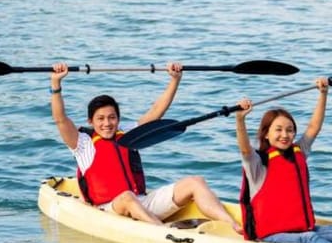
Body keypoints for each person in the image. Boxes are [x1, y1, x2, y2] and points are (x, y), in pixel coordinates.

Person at [50, 61, 241, 231]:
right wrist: (56, 84)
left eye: (112, 117)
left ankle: (232, 224)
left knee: (195, 182)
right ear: (90, 121)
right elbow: (60, 119)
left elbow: (156, 112)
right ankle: (163, 233)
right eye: (100, 119)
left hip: (140, 202)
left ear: (118, 119)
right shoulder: (82, 144)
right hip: (108, 210)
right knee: (127, 196)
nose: (107, 123)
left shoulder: (128, 134)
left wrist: (175, 80)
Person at [235, 77, 332, 243]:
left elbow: (313, 127)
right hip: (271, 236)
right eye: (278, 130)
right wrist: (240, 119)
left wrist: (323, 94)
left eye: (290, 130)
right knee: (310, 238)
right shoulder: (258, 164)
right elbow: (245, 149)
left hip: (301, 229)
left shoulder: (299, 152)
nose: (285, 135)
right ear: (266, 134)